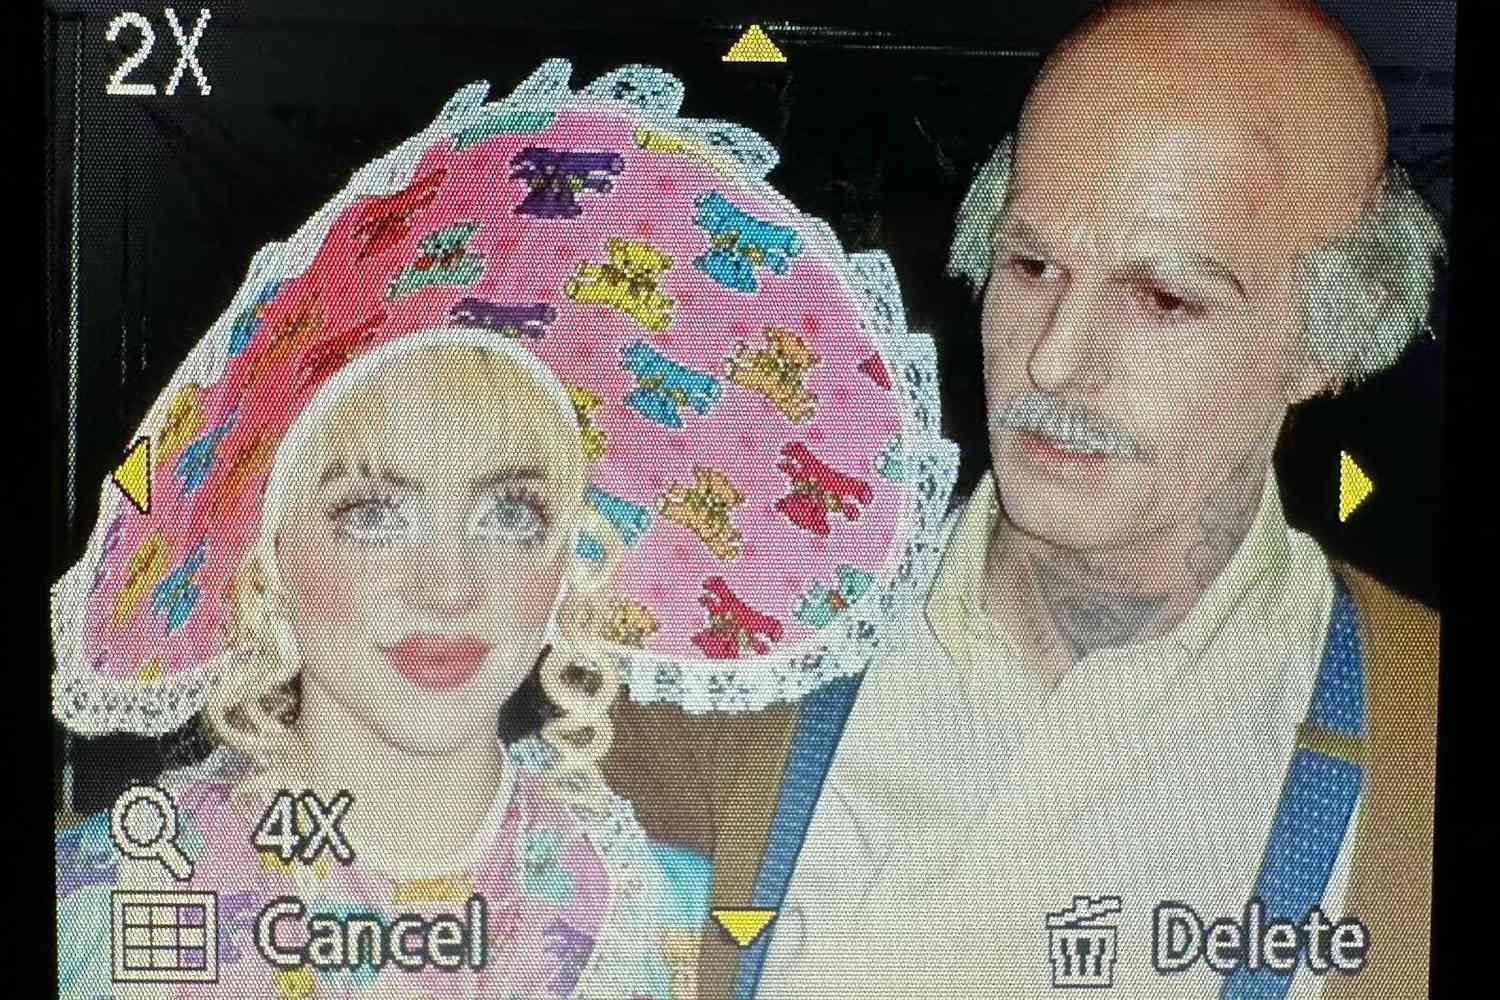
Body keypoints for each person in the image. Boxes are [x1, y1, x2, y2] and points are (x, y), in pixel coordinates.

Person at [52, 60, 955, 999]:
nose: (449, 586)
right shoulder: (120, 904)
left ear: (575, 552)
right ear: (267, 552)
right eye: (374, 513)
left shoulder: (652, 915)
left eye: (511, 513)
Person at [756, 2, 1445, 997]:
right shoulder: (741, 637)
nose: (1054, 358)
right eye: (1031, 265)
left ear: (1327, 341)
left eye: (1164, 297)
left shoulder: (1414, 736)